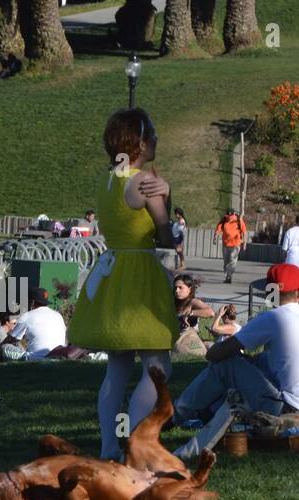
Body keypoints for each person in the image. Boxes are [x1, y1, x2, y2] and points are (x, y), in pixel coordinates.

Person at [68, 107, 177, 460]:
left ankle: (108, 445)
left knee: (117, 368)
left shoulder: (108, 179)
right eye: (154, 135)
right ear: (140, 143)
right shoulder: (144, 182)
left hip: (114, 271)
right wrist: (167, 194)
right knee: (158, 366)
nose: (157, 140)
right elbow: (165, 237)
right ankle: (133, 440)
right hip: (140, 277)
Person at [173, 264, 299, 457]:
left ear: (269, 291)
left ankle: (175, 414)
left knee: (227, 365)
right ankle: (203, 411)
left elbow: (215, 356)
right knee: (255, 362)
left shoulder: (274, 317)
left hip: (287, 411)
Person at [2, 287, 69, 362]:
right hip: (58, 358)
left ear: (33, 302)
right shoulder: (58, 315)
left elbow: (11, 339)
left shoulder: (27, 316)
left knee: (4, 347)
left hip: (36, 359)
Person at [173, 274, 213, 357]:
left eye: (180, 287)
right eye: (175, 287)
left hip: (189, 341)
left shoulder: (193, 302)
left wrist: (191, 313)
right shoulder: (173, 303)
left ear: (190, 289)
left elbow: (210, 312)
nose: (177, 290)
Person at [214, 209, 247, 284]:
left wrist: (244, 243)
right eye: (228, 215)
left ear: (234, 214)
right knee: (226, 262)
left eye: (231, 215)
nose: (230, 216)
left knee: (232, 261)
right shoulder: (224, 220)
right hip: (225, 244)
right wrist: (215, 238)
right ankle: (227, 276)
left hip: (236, 245)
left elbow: (244, 232)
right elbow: (218, 229)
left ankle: (229, 276)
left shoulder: (239, 220)